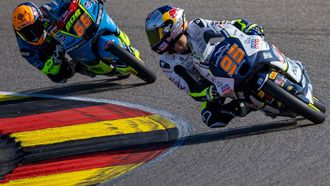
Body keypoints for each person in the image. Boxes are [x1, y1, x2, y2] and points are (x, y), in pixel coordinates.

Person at [145, 5, 267, 127]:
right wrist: (209, 92)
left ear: (170, 27)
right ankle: (244, 106)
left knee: (254, 37)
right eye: (152, 36)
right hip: (214, 83)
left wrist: (248, 27)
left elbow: (228, 26)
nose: (154, 40)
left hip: (230, 56)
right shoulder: (167, 63)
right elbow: (191, 89)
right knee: (210, 117)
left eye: (156, 34)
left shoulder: (198, 25)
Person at [12, 0, 140, 83]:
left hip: (73, 33)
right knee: (60, 76)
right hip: (54, 52)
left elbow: (66, 2)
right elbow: (46, 68)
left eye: (34, 28)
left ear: (39, 18)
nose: (33, 35)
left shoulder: (49, 9)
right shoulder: (26, 49)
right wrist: (56, 59)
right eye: (26, 32)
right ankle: (81, 65)